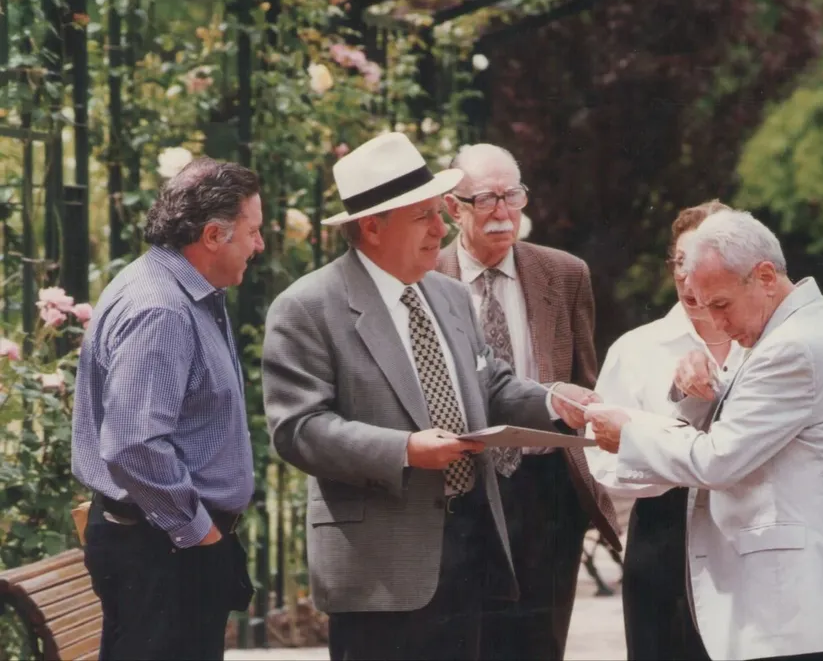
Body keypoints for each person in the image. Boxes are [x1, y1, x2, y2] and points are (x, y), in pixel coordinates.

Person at [259, 132, 598, 661]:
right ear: (372, 226)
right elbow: (299, 430)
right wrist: (405, 450)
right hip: (382, 571)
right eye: (424, 217)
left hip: (471, 552)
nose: (441, 229)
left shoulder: (447, 295)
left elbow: (491, 384)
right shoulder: (308, 307)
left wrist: (555, 401)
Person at [586, 210, 823, 661]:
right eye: (703, 307)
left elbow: (718, 459)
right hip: (791, 601)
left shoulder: (793, 346)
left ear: (765, 276)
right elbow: (746, 417)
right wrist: (694, 389)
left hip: (800, 605)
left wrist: (630, 434)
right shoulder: (785, 330)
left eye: (721, 305)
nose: (717, 324)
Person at [71, 158, 263, 659]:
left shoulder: (181, 292)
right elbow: (135, 445)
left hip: (165, 543)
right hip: (163, 549)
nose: (260, 245)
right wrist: (200, 534)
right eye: (253, 231)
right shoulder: (162, 307)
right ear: (213, 235)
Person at [437, 144, 621, 661]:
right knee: (466, 641)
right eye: (486, 199)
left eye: (512, 195)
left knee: (539, 646)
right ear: (454, 207)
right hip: (463, 490)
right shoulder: (426, 278)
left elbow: (583, 379)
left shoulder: (564, 275)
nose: (503, 212)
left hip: (546, 496)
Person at [584, 200, 738, 661]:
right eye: (681, 262)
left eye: (705, 262)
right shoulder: (637, 349)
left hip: (748, 541)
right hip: (664, 537)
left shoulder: (768, 344)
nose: (690, 279)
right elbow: (603, 460)